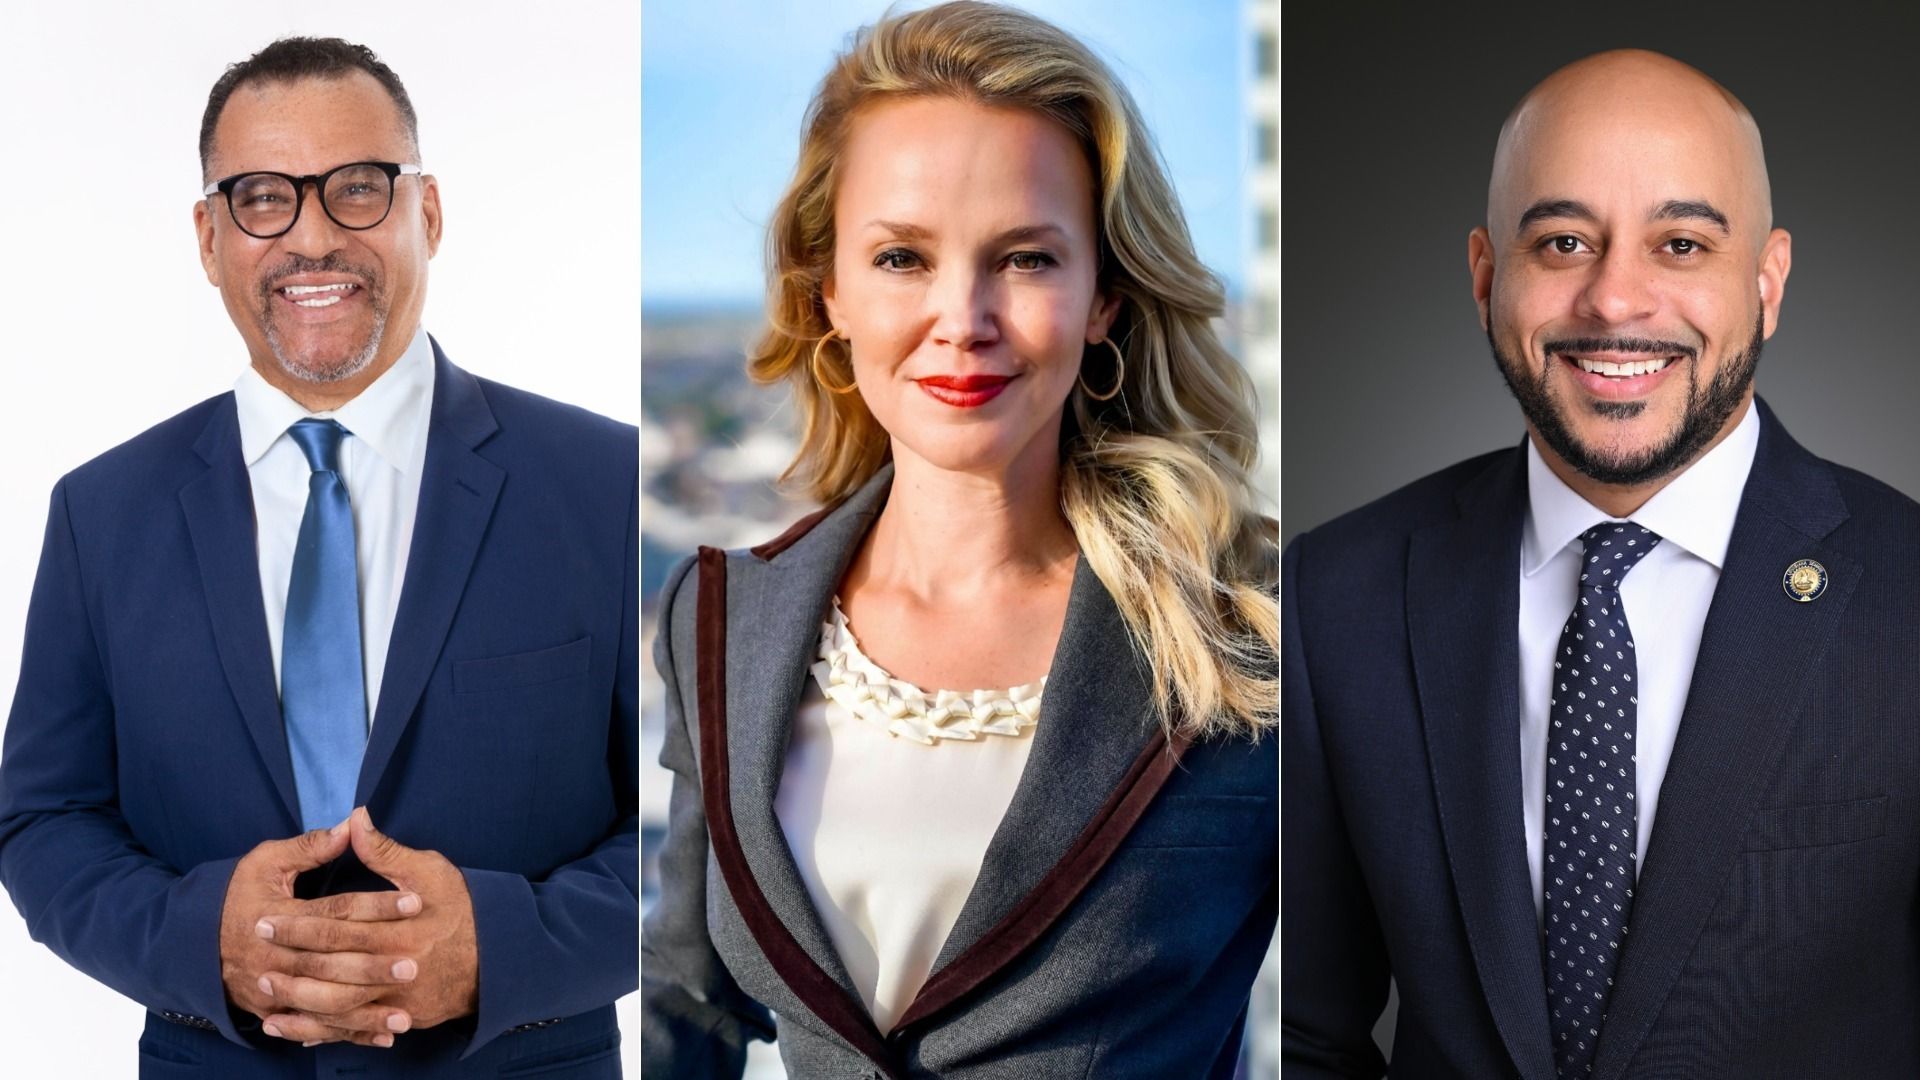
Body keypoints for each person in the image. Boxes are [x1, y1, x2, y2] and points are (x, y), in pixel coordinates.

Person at [640, 2, 1278, 1077]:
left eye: (1025, 259)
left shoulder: (1256, 619)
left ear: (1105, 297)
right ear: (826, 288)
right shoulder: (719, 620)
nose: (962, 316)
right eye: (901, 257)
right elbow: (688, 1011)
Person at [0, 37, 637, 1078]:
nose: (311, 237)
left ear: (426, 214)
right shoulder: (102, 513)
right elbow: (44, 822)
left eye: (357, 189)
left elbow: (690, 828)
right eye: (261, 197)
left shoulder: (608, 484)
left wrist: (502, 947)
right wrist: (200, 937)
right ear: (209, 239)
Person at [1284, 49, 1920, 1080]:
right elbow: (1300, 1035)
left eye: (1680, 243)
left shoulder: (1909, 593)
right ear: (1489, 276)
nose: (1617, 299)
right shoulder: (1333, 596)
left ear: (1768, 282)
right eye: (1565, 240)